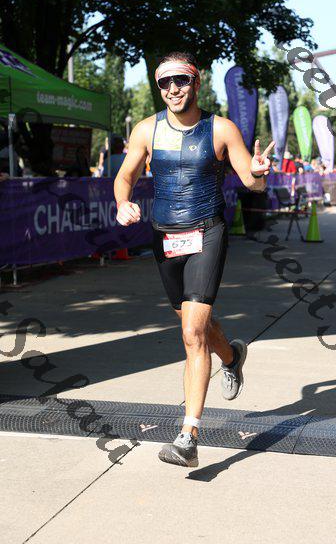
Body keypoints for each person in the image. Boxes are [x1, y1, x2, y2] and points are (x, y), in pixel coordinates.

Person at [114, 51, 274, 468]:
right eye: (164, 82)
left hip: (206, 232)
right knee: (196, 326)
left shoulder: (221, 129)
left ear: (196, 82)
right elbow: (125, 176)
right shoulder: (146, 129)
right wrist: (122, 202)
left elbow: (251, 182)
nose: (173, 89)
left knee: (191, 333)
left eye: (181, 80)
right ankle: (232, 357)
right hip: (164, 238)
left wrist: (260, 172)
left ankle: (188, 437)